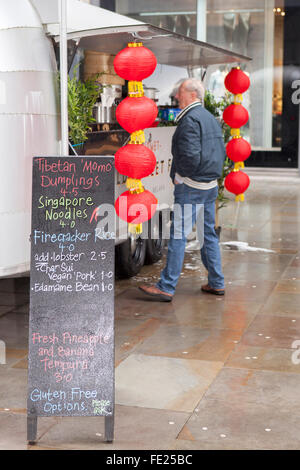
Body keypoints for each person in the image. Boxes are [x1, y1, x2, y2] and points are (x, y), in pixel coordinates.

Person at [139, 78, 225, 302]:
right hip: (210, 186)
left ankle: (166, 286)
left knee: (178, 235)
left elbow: (189, 156)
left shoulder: (189, 120)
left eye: (180, 93)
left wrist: (180, 176)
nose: (177, 96)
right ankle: (216, 282)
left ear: (193, 95)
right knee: (208, 235)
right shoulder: (210, 119)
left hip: (191, 186)